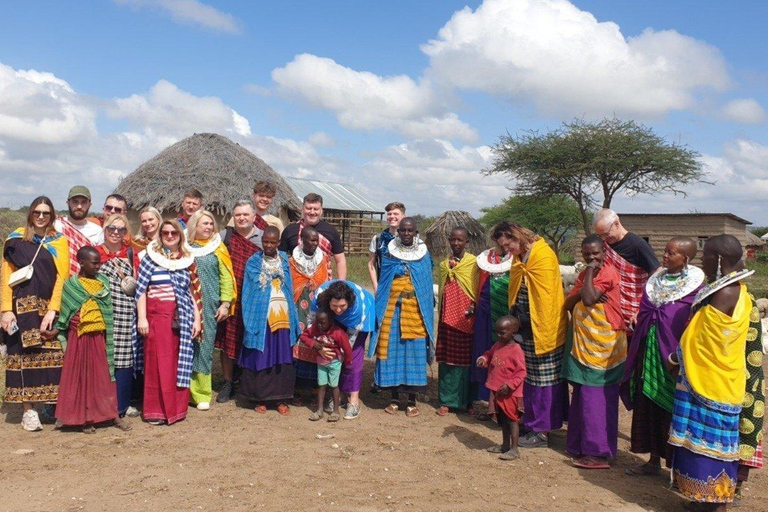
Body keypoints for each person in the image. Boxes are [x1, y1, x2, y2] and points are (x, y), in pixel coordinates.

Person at [667, 235, 752, 510]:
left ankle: (715, 503)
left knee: (711, 447)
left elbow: (702, 340)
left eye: (705, 256)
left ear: (716, 261)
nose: (701, 260)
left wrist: (673, 358)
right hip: (719, 378)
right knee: (702, 444)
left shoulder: (724, 292)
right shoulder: (736, 288)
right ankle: (704, 499)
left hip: (710, 381)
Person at [622, 237, 704, 476]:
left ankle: (677, 468)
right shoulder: (655, 280)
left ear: (685, 259)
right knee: (647, 403)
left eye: (671, 253)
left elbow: (688, 322)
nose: (665, 256)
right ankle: (653, 460)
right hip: (648, 352)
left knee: (672, 409)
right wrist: (641, 318)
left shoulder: (695, 288)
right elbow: (647, 309)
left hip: (671, 358)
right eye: (665, 252)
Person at [1, 196, 70, 431]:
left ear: (52, 216)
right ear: (30, 213)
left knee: (53, 358)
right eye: (37, 212)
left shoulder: (59, 242)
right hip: (20, 310)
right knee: (22, 358)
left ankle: (52, 408)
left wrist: (53, 308)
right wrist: (6, 310)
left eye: (46, 213)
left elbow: (62, 278)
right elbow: (5, 278)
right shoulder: (16, 239)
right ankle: (28, 411)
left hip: (47, 309)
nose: (41, 217)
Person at [500, 221, 568, 448]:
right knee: (528, 377)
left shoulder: (543, 257)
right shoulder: (521, 259)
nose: (507, 252)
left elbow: (547, 299)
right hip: (525, 328)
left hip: (543, 328)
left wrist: (535, 323)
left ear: (517, 237)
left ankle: (542, 431)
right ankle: (532, 422)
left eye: (509, 246)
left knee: (544, 380)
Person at [562, 235, 628, 469]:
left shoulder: (608, 273)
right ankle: (582, 446)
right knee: (582, 396)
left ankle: (597, 453)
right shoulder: (584, 277)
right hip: (585, 346)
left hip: (603, 348)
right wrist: (584, 287)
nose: (591, 258)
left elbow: (588, 298)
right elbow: (569, 303)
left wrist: (588, 276)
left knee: (596, 399)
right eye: (587, 254)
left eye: (595, 254)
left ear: (604, 253)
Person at [50, 246, 131, 433]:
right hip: (79, 337)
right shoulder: (72, 285)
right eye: (94, 263)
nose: (98, 267)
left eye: (99, 263)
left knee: (104, 377)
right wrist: (56, 330)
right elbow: (66, 313)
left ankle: (112, 415)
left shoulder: (103, 282)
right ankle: (85, 419)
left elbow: (107, 307)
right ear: (81, 263)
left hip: (100, 336)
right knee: (82, 377)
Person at [135, 219, 202, 425]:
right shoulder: (150, 259)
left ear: (180, 236)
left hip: (180, 318)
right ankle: (156, 411)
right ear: (161, 235)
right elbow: (141, 291)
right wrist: (142, 317)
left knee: (177, 363)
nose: (170, 236)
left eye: (174, 232)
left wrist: (197, 319)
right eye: (166, 233)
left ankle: (176, 409)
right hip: (156, 317)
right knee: (157, 363)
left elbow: (193, 293)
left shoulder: (187, 261)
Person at [370, 217, 434, 418]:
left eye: (410, 231)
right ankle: (395, 398)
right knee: (391, 350)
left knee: (414, 353)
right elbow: (384, 279)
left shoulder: (424, 255)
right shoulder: (389, 252)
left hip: (414, 310)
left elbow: (425, 282)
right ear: (398, 233)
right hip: (392, 309)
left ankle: (413, 400)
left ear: (416, 233)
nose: (406, 234)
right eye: (403, 231)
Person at [238, 226, 301, 415]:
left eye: (273, 242)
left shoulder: (283, 260)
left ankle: (281, 399)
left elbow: (288, 285)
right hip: (262, 317)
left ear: (278, 243)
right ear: (262, 240)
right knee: (262, 355)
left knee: (282, 355)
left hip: (283, 315)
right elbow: (251, 289)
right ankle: (260, 398)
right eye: (266, 241)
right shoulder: (254, 261)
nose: (268, 245)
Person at [186, 210, 236, 411]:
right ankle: (185, 391)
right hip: (186, 303)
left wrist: (225, 303)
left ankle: (202, 392)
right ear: (194, 226)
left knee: (204, 347)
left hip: (209, 305)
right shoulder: (184, 247)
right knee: (185, 346)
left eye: (210, 224)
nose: (208, 227)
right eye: (204, 223)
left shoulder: (217, 247)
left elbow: (226, 276)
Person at [215, 199, 263, 402]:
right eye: (238, 215)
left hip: (254, 299)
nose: (242, 218)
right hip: (230, 298)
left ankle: (245, 379)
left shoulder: (263, 237)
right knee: (227, 340)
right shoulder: (224, 236)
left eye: (246, 214)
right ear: (233, 217)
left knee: (249, 338)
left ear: (254, 217)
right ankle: (227, 382)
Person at [96, 214, 141, 418]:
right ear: (104, 230)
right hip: (101, 314)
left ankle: (121, 405)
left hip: (125, 315)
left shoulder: (131, 254)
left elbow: (140, 285)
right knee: (102, 360)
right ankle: (101, 406)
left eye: (121, 230)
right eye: (111, 229)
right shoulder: (95, 254)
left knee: (124, 359)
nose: (116, 233)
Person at [312, 279, 376, 420]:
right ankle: (339, 395)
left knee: (352, 357)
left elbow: (348, 342)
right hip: (334, 317)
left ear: (348, 302)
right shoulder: (319, 298)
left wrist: (340, 352)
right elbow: (313, 323)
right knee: (332, 353)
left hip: (360, 321)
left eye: (342, 305)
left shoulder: (357, 309)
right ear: (328, 301)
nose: (338, 309)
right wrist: (320, 346)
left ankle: (353, 400)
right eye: (335, 305)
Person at [592, 209, 659, 329]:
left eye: (606, 234)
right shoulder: (604, 245)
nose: (603, 239)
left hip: (634, 311)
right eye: (599, 236)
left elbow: (656, 274)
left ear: (616, 224)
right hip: (611, 308)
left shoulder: (638, 245)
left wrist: (644, 307)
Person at [436, 227, 478, 416]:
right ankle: (447, 400)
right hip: (447, 319)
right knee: (447, 360)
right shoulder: (445, 264)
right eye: (453, 240)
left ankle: (469, 401)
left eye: (460, 240)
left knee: (468, 361)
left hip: (467, 319)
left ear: (466, 242)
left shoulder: (474, 264)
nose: (456, 243)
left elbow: (477, 289)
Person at [471, 225, 511, 415]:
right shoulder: (487, 258)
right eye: (499, 238)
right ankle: (490, 405)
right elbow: (477, 283)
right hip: (486, 313)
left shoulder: (517, 258)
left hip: (508, 317)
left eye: (506, 237)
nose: (503, 242)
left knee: (505, 358)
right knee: (487, 354)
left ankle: (506, 406)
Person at [476, 315, 526, 461]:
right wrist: (483, 359)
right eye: (497, 332)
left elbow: (521, 372)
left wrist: (509, 385)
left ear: (513, 332)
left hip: (510, 393)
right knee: (503, 420)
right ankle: (505, 445)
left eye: (502, 333)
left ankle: (514, 449)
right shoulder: (498, 345)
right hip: (497, 390)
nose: (498, 335)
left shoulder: (516, 350)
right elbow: (490, 355)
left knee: (512, 420)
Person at [289, 226, 330, 390]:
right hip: (297, 306)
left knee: (317, 338)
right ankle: (297, 388)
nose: (315, 244)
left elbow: (327, 280)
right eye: (312, 240)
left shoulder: (323, 259)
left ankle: (314, 388)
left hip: (317, 306)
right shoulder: (292, 260)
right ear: (302, 240)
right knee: (299, 339)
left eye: (317, 241)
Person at [734, 287, 764, 506]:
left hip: (744, 374)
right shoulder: (744, 297)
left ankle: (735, 486)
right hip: (744, 374)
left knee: (745, 427)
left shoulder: (743, 300)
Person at [300, 309, 353, 422]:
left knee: (334, 386)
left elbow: (347, 349)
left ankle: (335, 411)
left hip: (335, 362)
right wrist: (313, 344)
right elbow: (304, 337)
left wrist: (348, 363)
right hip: (321, 362)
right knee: (321, 385)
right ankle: (319, 410)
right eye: (317, 322)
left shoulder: (338, 333)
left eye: (322, 322)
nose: (319, 325)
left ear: (330, 321)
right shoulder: (315, 328)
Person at [279, 193, 346, 280]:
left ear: (321, 211)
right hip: (296, 285)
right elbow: (281, 258)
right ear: (302, 209)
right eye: (308, 208)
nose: (312, 212)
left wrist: (341, 283)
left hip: (324, 284)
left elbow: (340, 260)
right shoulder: (290, 231)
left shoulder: (331, 231)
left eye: (316, 209)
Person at [55, 186, 103, 276]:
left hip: (86, 285)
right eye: (75, 202)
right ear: (68, 203)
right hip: (59, 282)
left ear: (90, 204)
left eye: (84, 202)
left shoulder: (97, 231)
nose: (79, 206)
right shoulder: (56, 226)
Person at [368, 202, 405, 292]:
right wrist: (376, 287)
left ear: (403, 216)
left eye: (396, 214)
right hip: (384, 286)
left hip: (405, 288)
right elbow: (371, 264)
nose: (392, 216)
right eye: (389, 214)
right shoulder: (377, 238)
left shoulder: (411, 239)